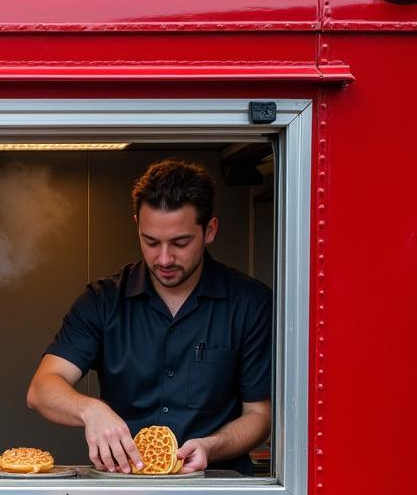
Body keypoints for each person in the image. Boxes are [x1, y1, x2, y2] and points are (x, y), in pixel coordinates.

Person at [27, 159, 273, 476]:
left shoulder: (249, 302)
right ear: (137, 227)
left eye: (180, 243)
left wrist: (211, 446)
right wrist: (91, 410)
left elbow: (259, 415)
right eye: (151, 242)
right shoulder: (102, 301)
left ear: (209, 230)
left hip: (216, 485)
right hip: (123, 487)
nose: (165, 258)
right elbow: (42, 388)